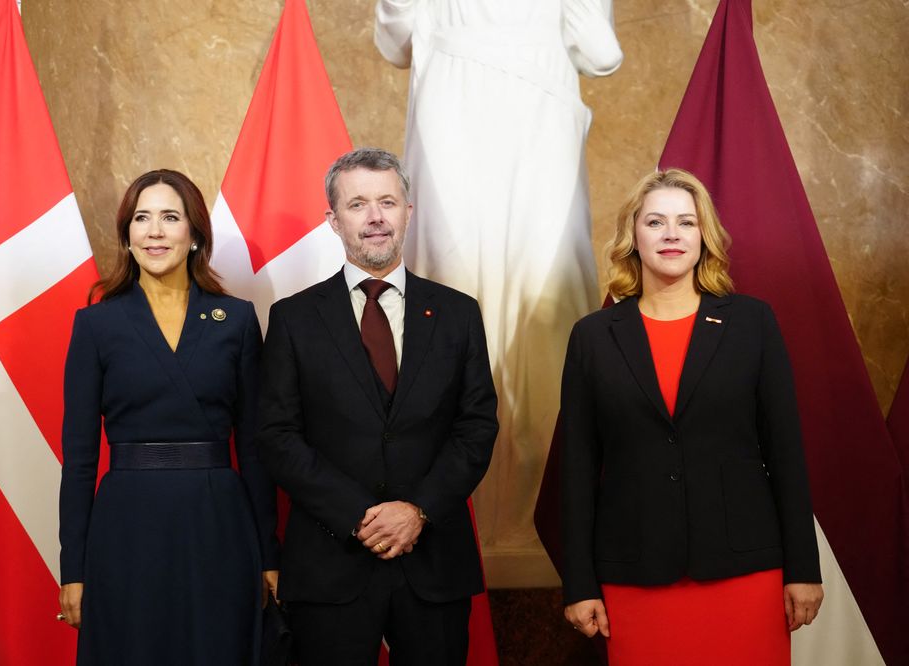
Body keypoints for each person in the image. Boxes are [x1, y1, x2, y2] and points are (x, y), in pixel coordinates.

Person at [375, 0, 622, 563]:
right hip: (453, 128)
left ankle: (546, 509)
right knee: (452, 296)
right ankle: (449, 503)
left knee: (546, 308)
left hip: (537, 130)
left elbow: (602, 55)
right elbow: (394, 42)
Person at [559, 169, 824, 665]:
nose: (672, 234)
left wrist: (803, 569)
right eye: (655, 221)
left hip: (745, 572)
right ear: (633, 237)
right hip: (634, 576)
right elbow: (576, 470)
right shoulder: (593, 337)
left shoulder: (753, 323)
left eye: (686, 222)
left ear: (705, 237)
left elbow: (786, 452)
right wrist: (579, 584)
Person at [256, 148, 498, 666]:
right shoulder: (294, 319)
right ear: (333, 220)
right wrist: (359, 517)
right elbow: (277, 435)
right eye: (358, 204)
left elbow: (476, 427)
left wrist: (418, 510)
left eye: (388, 201)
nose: (375, 217)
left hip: (432, 560)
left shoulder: (458, 314)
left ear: (409, 212)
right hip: (330, 563)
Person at [57, 170, 279, 665]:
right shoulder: (95, 324)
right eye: (141, 218)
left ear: (195, 234)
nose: (154, 231)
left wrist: (269, 554)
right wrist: (74, 568)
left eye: (170, 217)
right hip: (126, 525)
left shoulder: (237, 319)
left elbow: (255, 448)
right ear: (127, 234)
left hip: (218, 525)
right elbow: (78, 458)